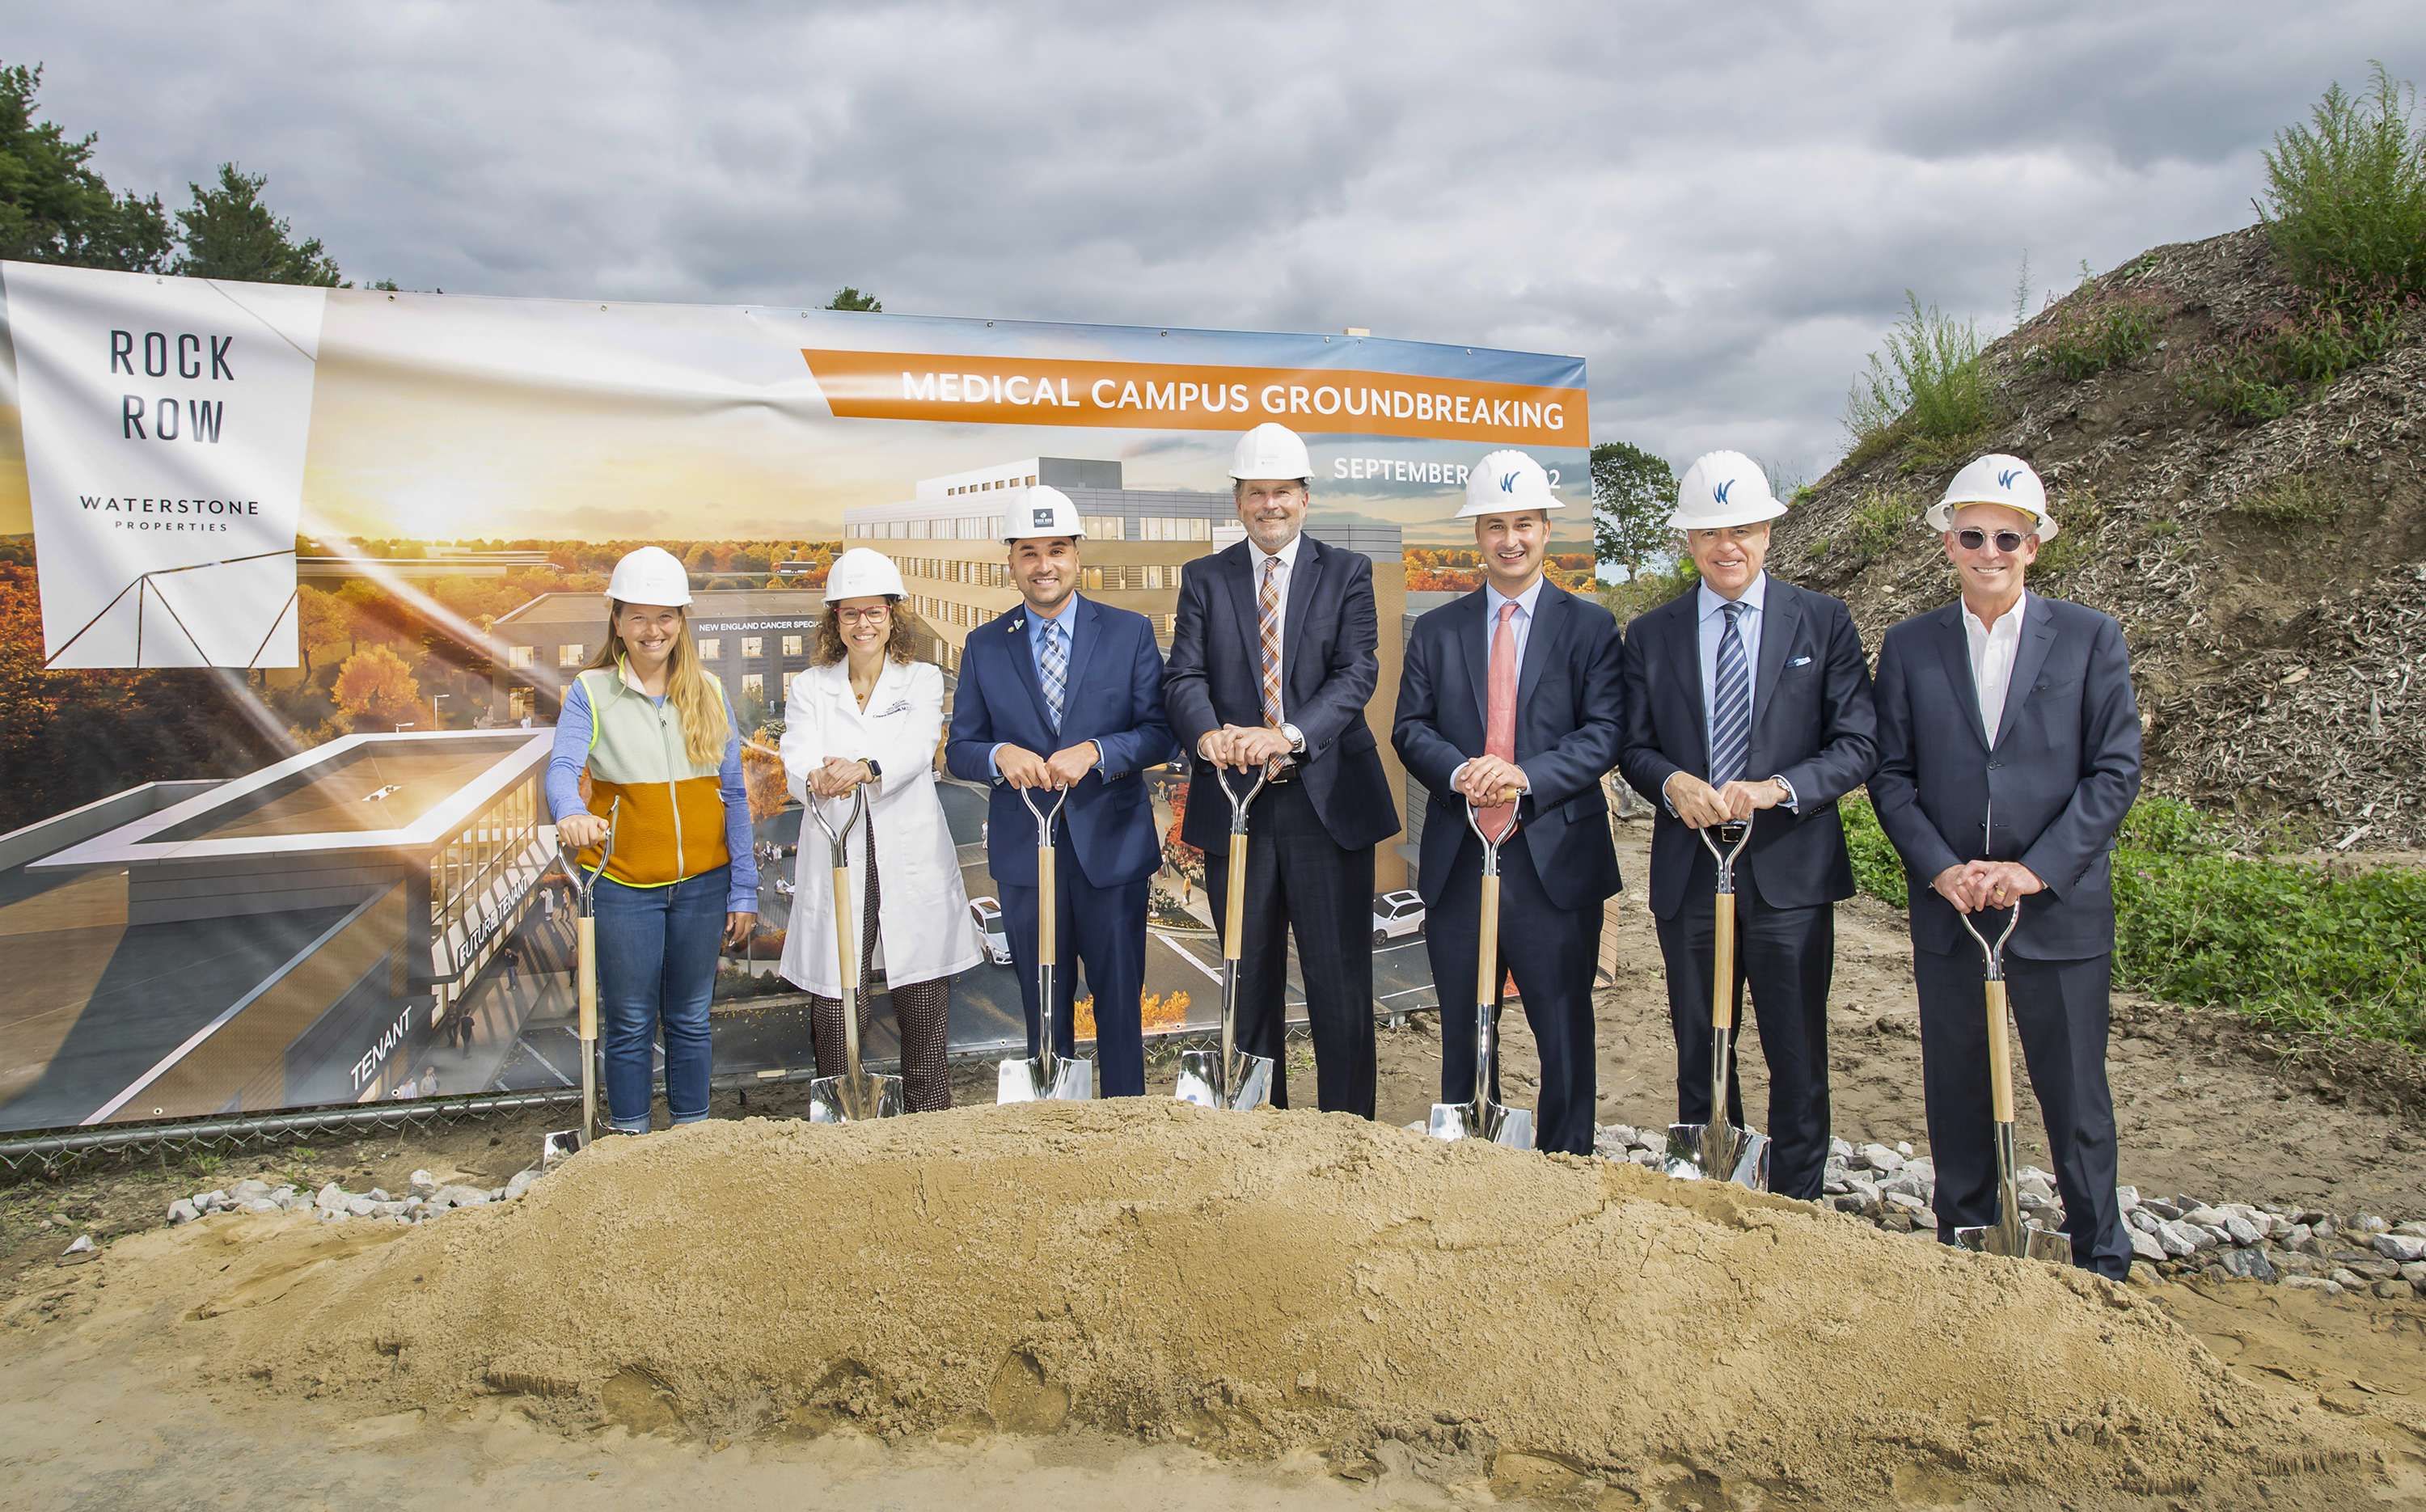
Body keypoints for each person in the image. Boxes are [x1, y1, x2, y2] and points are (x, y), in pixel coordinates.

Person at [1870, 454, 2140, 1279]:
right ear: (1948, 542)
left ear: (2034, 546)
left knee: (2075, 1096)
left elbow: (2114, 769)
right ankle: (1968, 1247)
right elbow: (1891, 774)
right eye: (1972, 535)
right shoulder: (1911, 646)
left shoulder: (2092, 638)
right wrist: (1941, 869)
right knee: (1957, 1089)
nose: (1989, 550)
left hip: (2054, 911)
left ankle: (2101, 1258)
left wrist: (2037, 869)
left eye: (2007, 537)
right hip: (1953, 912)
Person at [1617, 452, 1879, 1200]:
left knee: (1797, 1052)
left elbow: (1858, 744)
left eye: (1743, 529)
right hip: (1693, 872)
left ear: (1768, 531)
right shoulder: (1654, 633)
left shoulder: (1821, 621)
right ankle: (1711, 1189)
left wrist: (1778, 788)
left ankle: (1795, 1203)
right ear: (1688, 542)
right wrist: (1670, 783)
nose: (1727, 547)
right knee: (1700, 1045)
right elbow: (1632, 744)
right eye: (1709, 532)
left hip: (1790, 873)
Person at [1163, 422, 1401, 1116]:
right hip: (1237, 807)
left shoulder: (1347, 573)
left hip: (1325, 803)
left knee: (1340, 986)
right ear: (1239, 502)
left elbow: (1357, 673)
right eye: (1256, 493)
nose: (1271, 505)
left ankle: (1349, 1135)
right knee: (1249, 978)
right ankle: (1262, 1131)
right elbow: (1185, 676)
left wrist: (1285, 737)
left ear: (1305, 499)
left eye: (1284, 492)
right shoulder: (1205, 579)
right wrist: (1211, 738)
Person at [1393, 451, 1624, 1155]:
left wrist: (1524, 775)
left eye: (1524, 523)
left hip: (1555, 856)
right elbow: (1410, 728)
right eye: (1496, 526)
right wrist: (1463, 770)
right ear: (1478, 536)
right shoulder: (1438, 630)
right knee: (1462, 1022)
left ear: (1547, 529)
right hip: (1463, 859)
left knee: (1562, 1025)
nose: (1510, 540)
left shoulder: (1589, 628)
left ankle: (1566, 1164)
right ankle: (1468, 1158)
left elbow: (1606, 732)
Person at [945, 485, 1177, 1096]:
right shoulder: (985, 645)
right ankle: (1053, 1128)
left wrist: (1099, 752)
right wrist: (1001, 755)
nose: (1043, 565)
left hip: (1112, 852)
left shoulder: (1128, 633)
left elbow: (1160, 734)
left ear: (1077, 555)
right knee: (1043, 1002)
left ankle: (1127, 1119)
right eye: (1028, 552)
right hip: (1029, 857)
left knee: (1120, 1002)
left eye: (1055, 550)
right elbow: (961, 747)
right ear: (1012, 562)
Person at [547, 545, 758, 1134]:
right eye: (637, 616)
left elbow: (735, 796)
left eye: (665, 616)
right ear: (616, 621)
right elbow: (562, 768)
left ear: (682, 622)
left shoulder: (710, 692)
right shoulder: (590, 692)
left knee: (691, 1018)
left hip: (703, 886)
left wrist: (743, 888)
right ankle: (632, 1140)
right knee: (632, 1021)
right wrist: (569, 812)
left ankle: (692, 1138)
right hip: (623, 886)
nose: (652, 630)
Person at [779, 547, 978, 1113]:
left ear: (893, 615)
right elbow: (796, 750)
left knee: (921, 988)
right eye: (850, 613)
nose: (863, 624)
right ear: (834, 620)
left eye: (874, 612)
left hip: (906, 844)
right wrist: (816, 774)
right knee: (840, 986)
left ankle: (930, 1116)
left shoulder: (920, 679)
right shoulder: (811, 687)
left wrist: (864, 767)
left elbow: (916, 746)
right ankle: (844, 1112)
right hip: (838, 841)